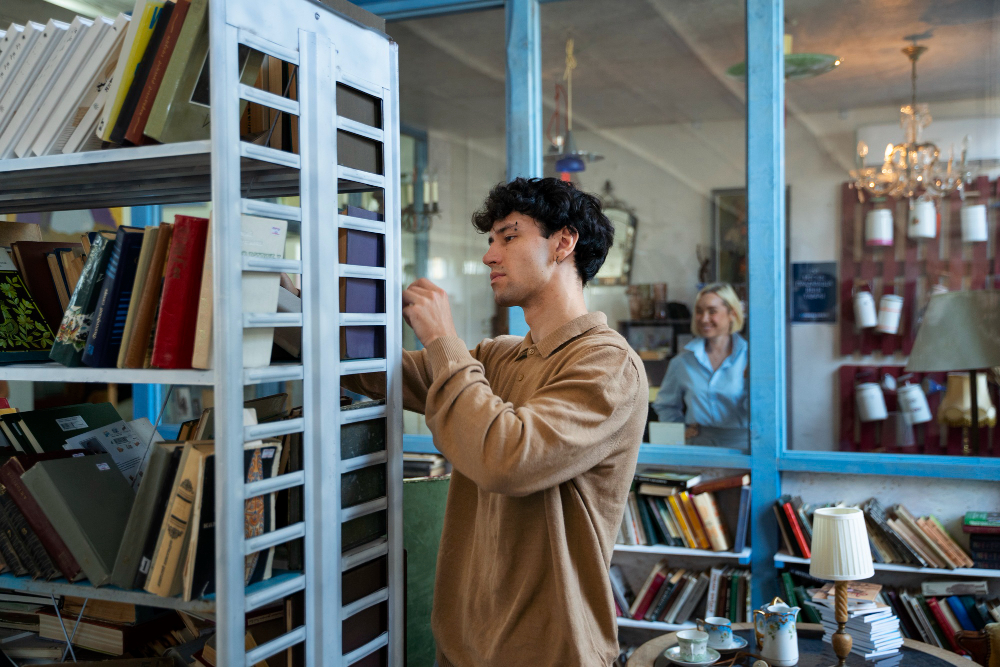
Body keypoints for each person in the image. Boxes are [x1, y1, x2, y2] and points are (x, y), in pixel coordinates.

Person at [343, 177, 648, 667]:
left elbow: (507, 459)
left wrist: (442, 339)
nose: (490, 256)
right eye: (491, 241)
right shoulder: (500, 356)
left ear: (563, 243)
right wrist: (290, 300)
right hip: (464, 645)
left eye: (508, 237)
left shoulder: (609, 365)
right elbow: (378, 373)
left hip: (550, 654)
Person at [652, 282, 748, 448]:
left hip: (742, 447)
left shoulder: (749, 359)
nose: (704, 319)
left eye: (712, 311)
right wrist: (679, 430)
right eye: (699, 311)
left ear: (732, 313)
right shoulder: (682, 362)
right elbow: (665, 405)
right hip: (698, 446)